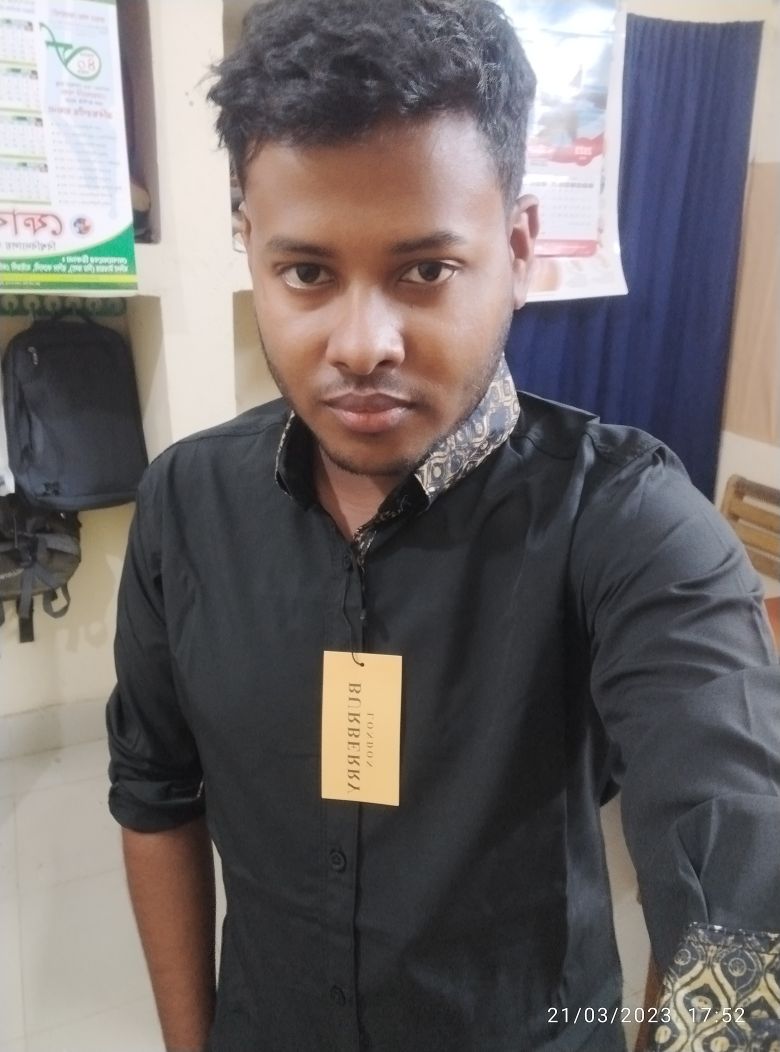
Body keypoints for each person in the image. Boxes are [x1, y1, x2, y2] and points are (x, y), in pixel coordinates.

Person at [106, 1, 780, 1050]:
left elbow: (739, 856)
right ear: (251, 251)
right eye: (307, 272)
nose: (362, 343)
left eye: (424, 270)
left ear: (518, 248)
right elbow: (154, 794)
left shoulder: (626, 517)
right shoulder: (186, 502)